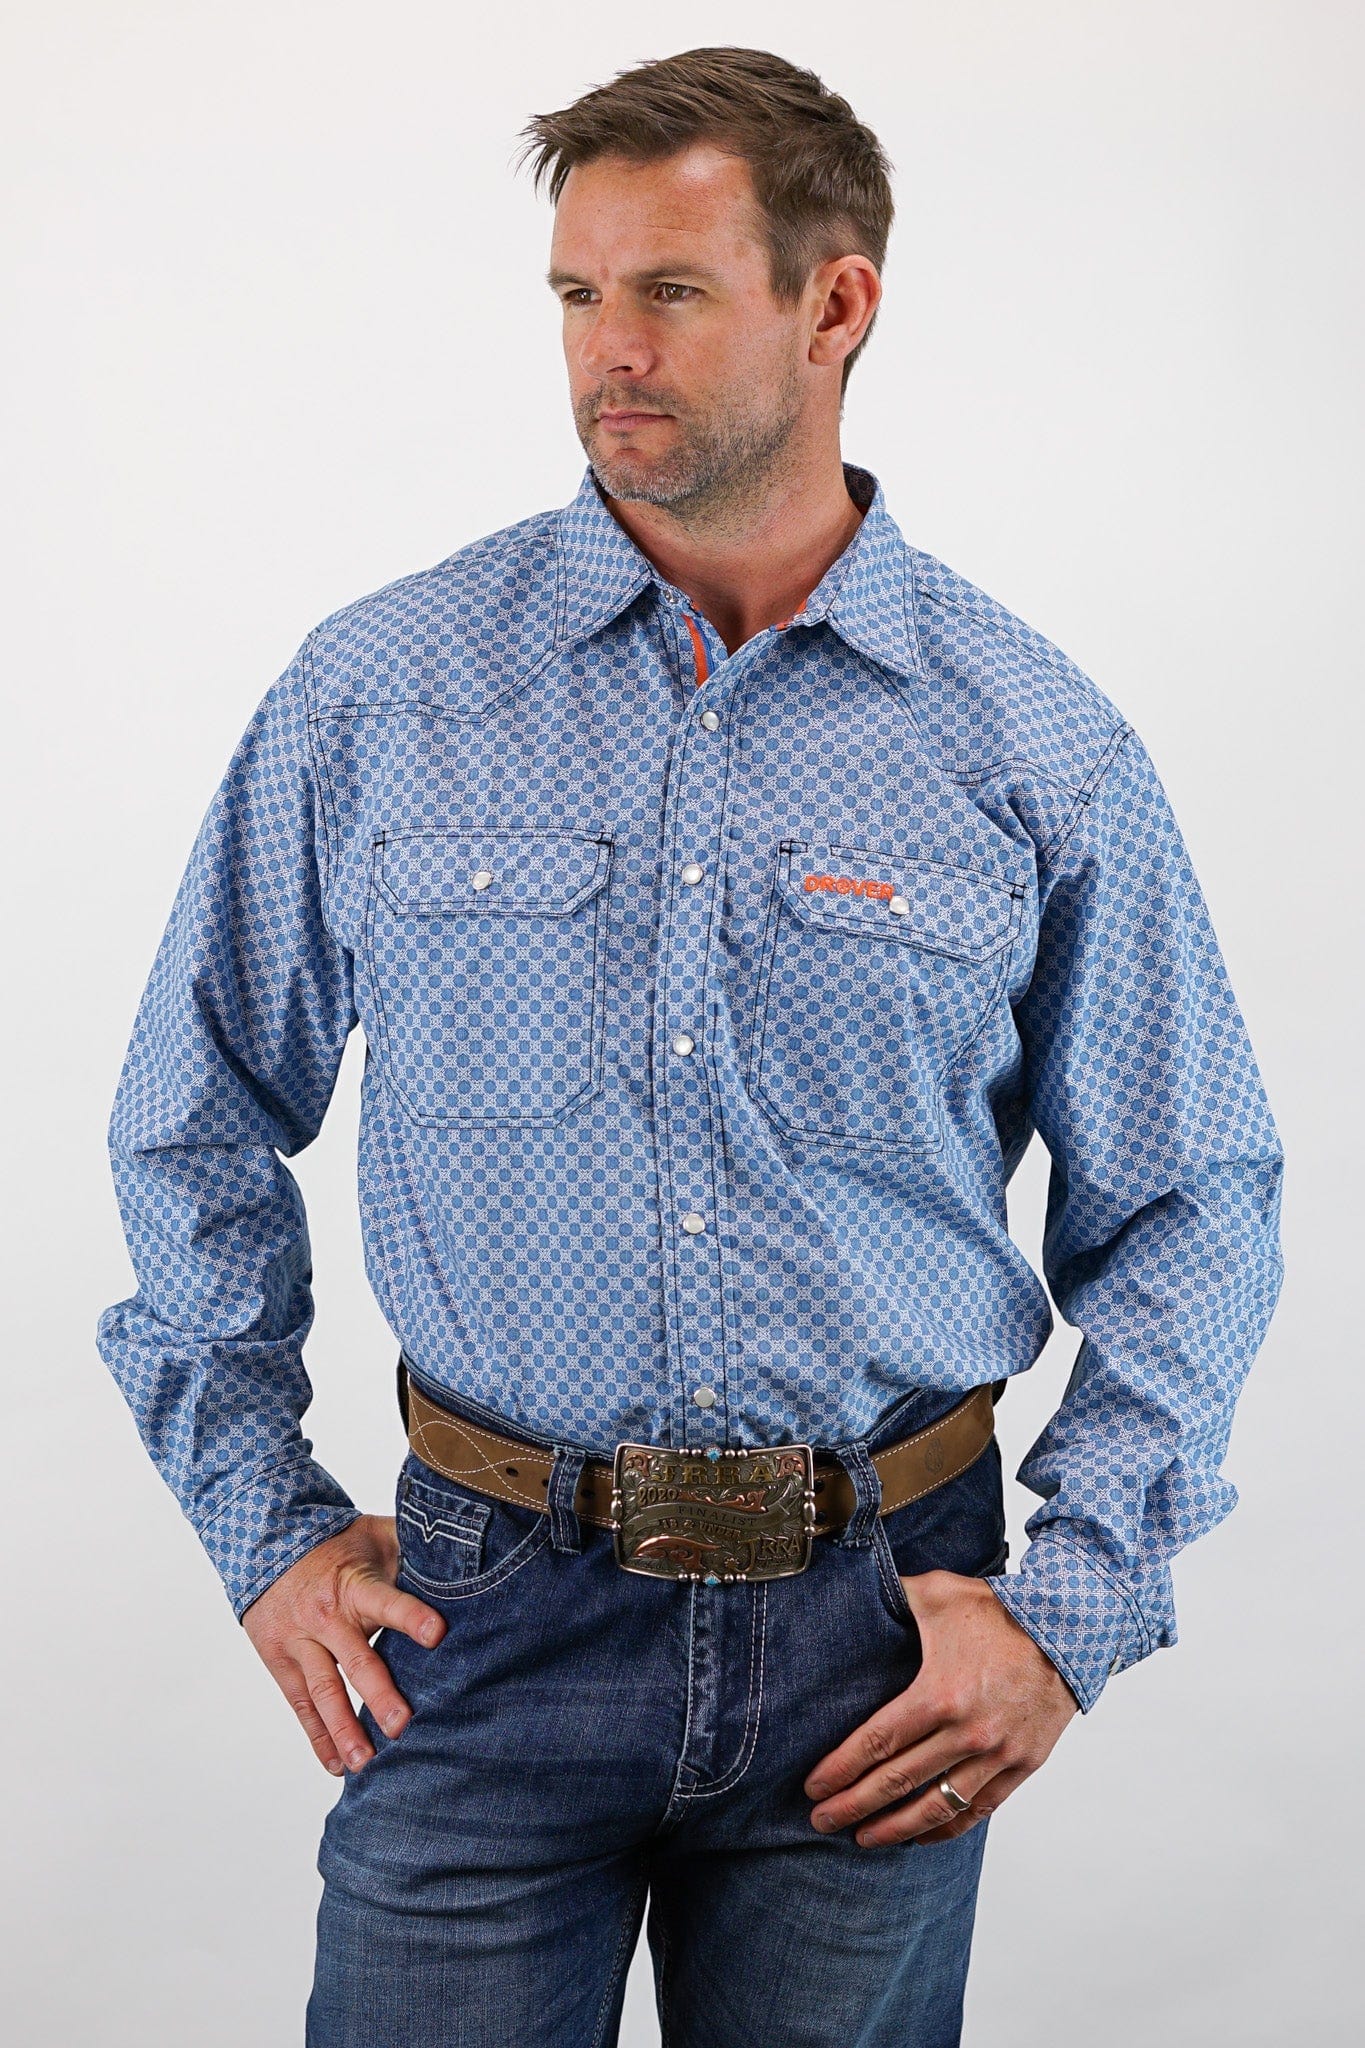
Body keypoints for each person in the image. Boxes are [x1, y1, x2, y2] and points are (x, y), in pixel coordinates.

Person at [96, 43, 1285, 2048]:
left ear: (836, 305)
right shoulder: (380, 694)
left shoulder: (1029, 741)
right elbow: (190, 1112)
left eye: (669, 290)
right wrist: (264, 1528)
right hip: (476, 1621)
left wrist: (1070, 1614)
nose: (607, 351)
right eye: (576, 293)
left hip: (878, 1640)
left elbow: (1191, 1195)